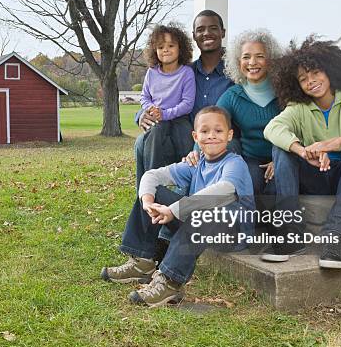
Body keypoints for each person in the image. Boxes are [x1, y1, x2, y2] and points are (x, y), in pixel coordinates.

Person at [101, 106, 255, 307]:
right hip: (199, 228)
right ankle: (142, 262)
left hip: (232, 233)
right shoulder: (196, 164)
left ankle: (170, 281)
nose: (211, 136)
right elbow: (152, 176)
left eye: (218, 131)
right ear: (195, 136)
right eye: (205, 131)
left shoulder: (235, 163)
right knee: (152, 193)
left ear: (229, 135)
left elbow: (223, 190)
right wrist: (148, 203)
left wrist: (174, 210)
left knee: (207, 214)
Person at [262, 36, 341, 268]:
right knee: (281, 149)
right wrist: (302, 151)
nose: (311, 81)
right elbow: (272, 128)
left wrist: (335, 142)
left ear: (330, 70)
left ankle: (336, 238)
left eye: (316, 72)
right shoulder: (298, 108)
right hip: (314, 176)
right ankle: (291, 235)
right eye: (303, 79)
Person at [133, 10, 236, 188]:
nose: (206, 33)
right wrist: (142, 113)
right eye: (201, 29)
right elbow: (150, 96)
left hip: (215, 137)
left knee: (223, 147)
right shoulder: (186, 70)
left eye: (213, 28)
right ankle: (146, 196)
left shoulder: (234, 72)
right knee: (142, 142)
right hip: (180, 133)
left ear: (223, 32)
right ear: (194, 36)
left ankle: (187, 199)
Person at [186, 29, 282, 201]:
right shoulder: (233, 95)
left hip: (283, 156)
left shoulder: (285, 92)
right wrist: (196, 151)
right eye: (246, 57)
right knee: (250, 182)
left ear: (270, 60)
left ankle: (273, 225)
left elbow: (300, 127)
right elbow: (211, 121)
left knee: (278, 185)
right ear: (238, 62)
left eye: (259, 56)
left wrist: (280, 160)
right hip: (250, 158)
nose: (252, 62)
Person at [138, 23, 196, 171]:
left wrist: (165, 114)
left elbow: (187, 104)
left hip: (179, 119)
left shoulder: (186, 73)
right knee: (154, 134)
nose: (166, 50)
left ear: (180, 48)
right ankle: (150, 181)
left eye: (171, 45)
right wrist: (150, 108)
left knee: (185, 140)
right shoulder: (151, 72)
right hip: (157, 118)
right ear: (154, 50)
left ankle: (187, 182)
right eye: (161, 46)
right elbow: (144, 96)